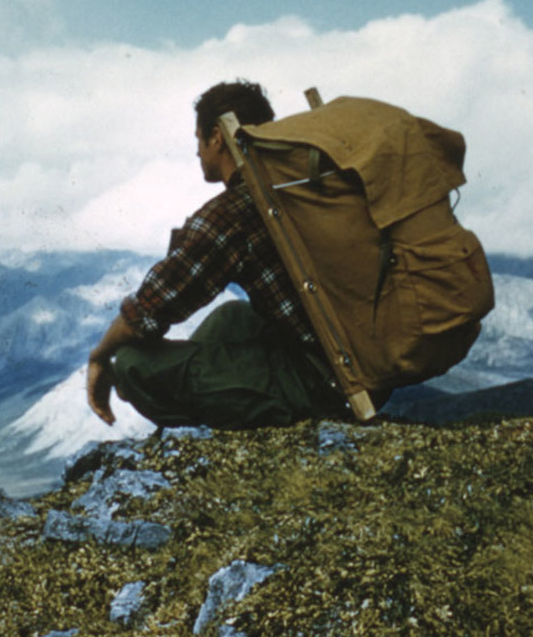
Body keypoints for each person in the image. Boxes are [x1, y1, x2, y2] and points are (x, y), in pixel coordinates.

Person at [86, 80, 344, 430]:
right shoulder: (294, 188)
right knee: (233, 317)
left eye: (198, 139)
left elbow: (147, 310)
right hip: (345, 358)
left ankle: (228, 425)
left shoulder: (232, 214)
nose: (197, 152)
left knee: (132, 364)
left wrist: (99, 358)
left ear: (217, 138)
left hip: (320, 384)